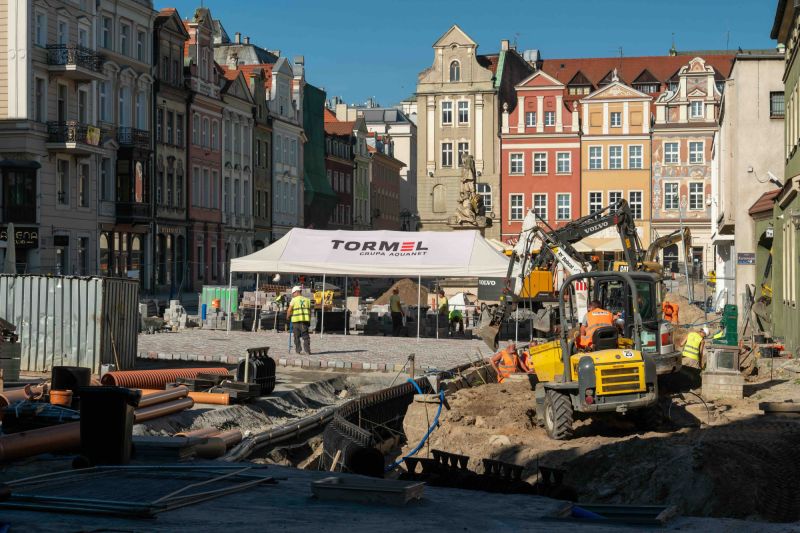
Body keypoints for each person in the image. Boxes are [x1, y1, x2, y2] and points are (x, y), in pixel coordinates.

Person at [286, 286, 311, 355]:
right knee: (306, 337)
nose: (293, 295)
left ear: (297, 292)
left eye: (293, 293)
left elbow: (289, 310)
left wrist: (287, 317)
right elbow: (309, 312)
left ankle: (298, 350)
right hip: (304, 321)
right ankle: (307, 351)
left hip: (296, 322)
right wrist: (309, 320)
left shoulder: (294, 300)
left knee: (296, 337)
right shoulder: (307, 300)